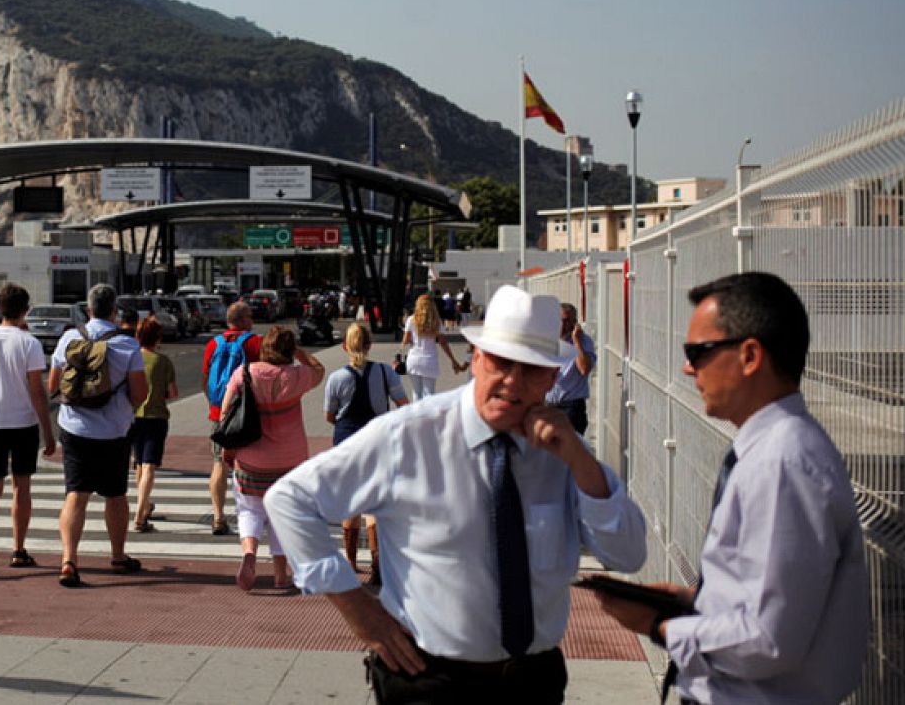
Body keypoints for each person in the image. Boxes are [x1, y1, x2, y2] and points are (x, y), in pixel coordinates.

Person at [266, 285, 646, 704]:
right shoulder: (410, 436)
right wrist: (359, 611)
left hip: (531, 680)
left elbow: (627, 555)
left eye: (532, 369)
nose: (513, 382)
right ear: (477, 360)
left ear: (553, 378)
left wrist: (581, 463)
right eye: (502, 363)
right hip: (428, 678)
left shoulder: (562, 451)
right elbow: (290, 499)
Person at [591, 272, 868, 705]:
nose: (687, 367)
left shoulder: (782, 463)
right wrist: (697, 600)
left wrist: (658, 626)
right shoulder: (770, 450)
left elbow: (767, 639)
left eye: (697, 352)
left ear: (750, 355)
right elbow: (769, 593)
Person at [47, 283, 150, 588]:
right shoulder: (127, 345)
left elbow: (54, 385)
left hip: (74, 429)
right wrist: (122, 408)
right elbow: (140, 393)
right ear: (115, 311)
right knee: (115, 496)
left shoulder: (69, 338)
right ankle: (118, 556)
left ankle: (69, 561)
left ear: (88, 309)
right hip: (113, 432)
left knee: (76, 494)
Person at [218, 326, 325, 592]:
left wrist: (228, 450)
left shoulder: (246, 373)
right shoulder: (298, 376)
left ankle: (249, 552)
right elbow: (319, 370)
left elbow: (225, 413)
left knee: (249, 509)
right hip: (290, 461)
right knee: (281, 514)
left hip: (251, 458)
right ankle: (280, 573)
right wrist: (299, 353)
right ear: (288, 350)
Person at [0, 283, 57, 579]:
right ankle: (18, 549)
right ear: (25, 309)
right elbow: (37, 392)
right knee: (22, 487)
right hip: (22, 423)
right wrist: (49, 432)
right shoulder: (29, 343)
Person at [322, 322, 410, 585]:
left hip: (347, 443)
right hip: (377, 441)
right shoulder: (385, 372)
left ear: (345, 346)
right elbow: (404, 404)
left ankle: (349, 562)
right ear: (370, 345)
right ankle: (377, 561)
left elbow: (330, 416)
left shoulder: (337, 378)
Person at [203, 301, 263, 536]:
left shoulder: (213, 344)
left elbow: (205, 380)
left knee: (219, 463)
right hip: (247, 414)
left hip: (220, 414)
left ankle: (218, 517)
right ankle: (251, 516)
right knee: (249, 465)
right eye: (250, 316)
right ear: (242, 319)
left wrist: (216, 405)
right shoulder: (253, 342)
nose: (252, 319)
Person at [130, 315, 178, 533]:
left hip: (133, 417)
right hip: (156, 417)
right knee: (149, 465)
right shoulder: (163, 362)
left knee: (140, 463)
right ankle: (140, 515)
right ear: (157, 337)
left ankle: (145, 504)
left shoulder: (132, 359)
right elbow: (173, 393)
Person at [401, 294, 466, 402]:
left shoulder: (411, 319)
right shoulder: (436, 321)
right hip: (429, 359)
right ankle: (427, 417)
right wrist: (453, 360)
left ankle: (417, 417)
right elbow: (443, 343)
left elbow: (405, 341)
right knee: (429, 394)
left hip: (413, 358)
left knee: (416, 393)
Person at [544, 303, 595, 435]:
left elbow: (584, 369)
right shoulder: (547, 341)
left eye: (567, 321)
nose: (563, 325)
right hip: (548, 404)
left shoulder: (583, 341)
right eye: (560, 320)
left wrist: (576, 341)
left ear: (574, 323)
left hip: (571, 407)